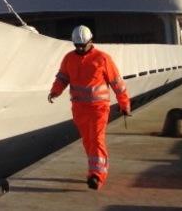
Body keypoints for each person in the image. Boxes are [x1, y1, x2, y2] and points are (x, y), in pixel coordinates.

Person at [48, 25, 131, 190]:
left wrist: (124, 103)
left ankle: (97, 176)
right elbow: (62, 78)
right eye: (76, 46)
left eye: (82, 45)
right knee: (88, 142)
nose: (79, 48)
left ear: (90, 41)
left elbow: (117, 83)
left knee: (97, 139)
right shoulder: (69, 58)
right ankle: (94, 170)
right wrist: (54, 92)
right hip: (79, 109)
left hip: (99, 108)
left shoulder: (102, 58)